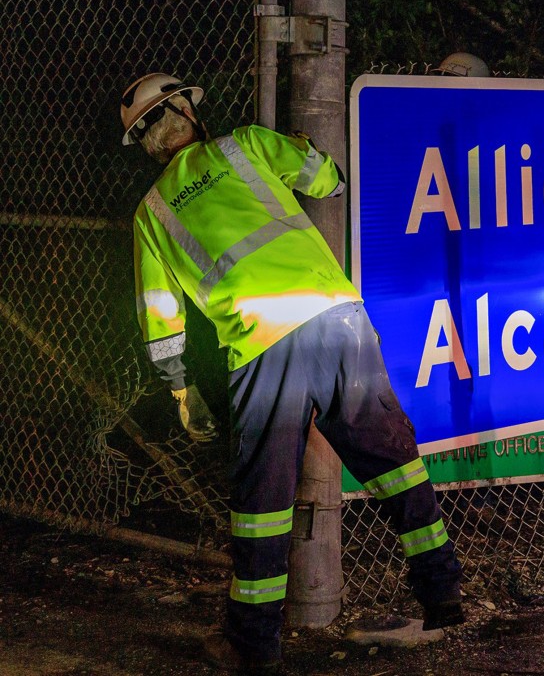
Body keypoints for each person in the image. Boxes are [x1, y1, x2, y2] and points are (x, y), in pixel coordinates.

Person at [120, 72, 464, 672]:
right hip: (337, 315)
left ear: (148, 143)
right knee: (393, 459)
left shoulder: (150, 214)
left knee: (262, 500)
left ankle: (253, 646)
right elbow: (326, 181)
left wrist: (179, 387)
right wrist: (309, 150)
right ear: (188, 112)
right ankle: (442, 598)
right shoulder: (246, 145)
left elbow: (161, 315)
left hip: (261, 341)